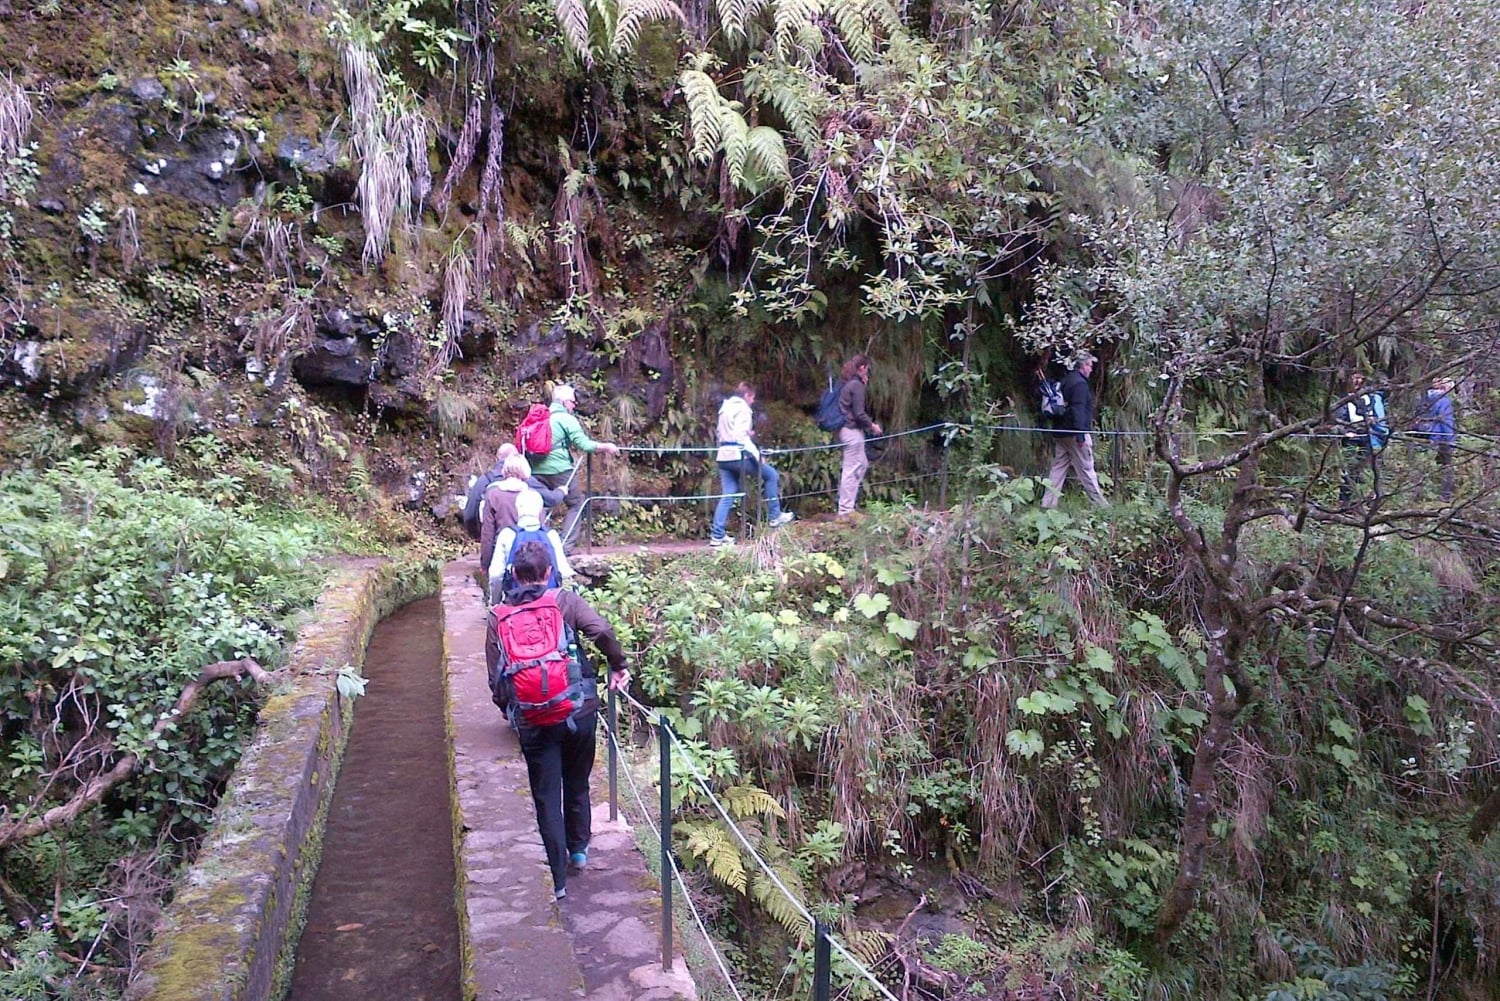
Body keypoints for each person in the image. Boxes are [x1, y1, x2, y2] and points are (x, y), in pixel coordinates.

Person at [485, 541, 630, 901]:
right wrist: (619, 665)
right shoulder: (564, 600)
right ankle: (579, 849)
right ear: (549, 573)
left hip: (534, 716)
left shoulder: (498, 615)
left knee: (546, 794)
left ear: (514, 575)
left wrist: (511, 709)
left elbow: (495, 675)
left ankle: (558, 880)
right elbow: (602, 631)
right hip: (578, 707)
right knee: (577, 779)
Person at [530, 384, 622, 550]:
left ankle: (540, 546)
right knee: (575, 503)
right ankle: (564, 547)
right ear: (564, 402)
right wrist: (606, 446)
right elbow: (583, 444)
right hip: (559, 469)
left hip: (534, 470)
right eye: (573, 402)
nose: (575, 405)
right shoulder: (566, 418)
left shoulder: (540, 416)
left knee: (540, 504)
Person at [710, 382, 794, 547]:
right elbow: (741, 438)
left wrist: (746, 434)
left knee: (728, 493)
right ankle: (775, 516)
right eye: (752, 397)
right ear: (747, 395)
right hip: (737, 455)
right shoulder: (743, 410)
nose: (753, 401)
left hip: (723, 456)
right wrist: (757, 456)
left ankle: (717, 536)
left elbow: (725, 433)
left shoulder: (725, 408)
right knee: (771, 475)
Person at [1041, 354, 1107, 508]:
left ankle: (1048, 504)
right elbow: (1078, 409)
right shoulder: (1080, 384)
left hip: (1060, 432)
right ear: (1082, 366)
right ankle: (1101, 506)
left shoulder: (1066, 380)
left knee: (1058, 468)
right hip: (1074, 434)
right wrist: (1081, 436)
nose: (1091, 369)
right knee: (1086, 468)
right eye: (1090, 365)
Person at [488, 489, 572, 604]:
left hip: (516, 604)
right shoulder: (551, 535)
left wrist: (495, 602)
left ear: (517, 509)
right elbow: (565, 573)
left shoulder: (507, 535)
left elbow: (495, 576)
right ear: (539, 510)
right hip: (549, 604)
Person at [836, 354, 882, 517]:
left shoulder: (850, 384)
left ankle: (848, 504)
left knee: (861, 464)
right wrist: (873, 426)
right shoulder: (856, 386)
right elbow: (859, 413)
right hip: (851, 432)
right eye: (867, 368)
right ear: (862, 368)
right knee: (851, 468)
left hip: (848, 430)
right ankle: (845, 510)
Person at [1337, 372, 1385, 502]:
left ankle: (1369, 500)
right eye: (1354, 378)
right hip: (1351, 439)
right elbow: (1337, 421)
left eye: (1360, 378)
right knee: (1349, 469)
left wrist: (1373, 422)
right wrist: (1345, 432)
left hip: (1368, 437)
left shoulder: (1372, 398)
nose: (1357, 381)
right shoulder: (1343, 400)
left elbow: (1380, 419)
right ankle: (1345, 501)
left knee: (1368, 469)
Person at [1415, 375, 1457, 501]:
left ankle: (1418, 494)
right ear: (1446, 387)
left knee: (1423, 465)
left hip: (1424, 434)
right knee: (1446, 466)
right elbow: (1446, 421)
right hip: (1441, 437)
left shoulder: (1423, 398)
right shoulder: (1444, 400)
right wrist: (1450, 439)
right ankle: (1445, 495)